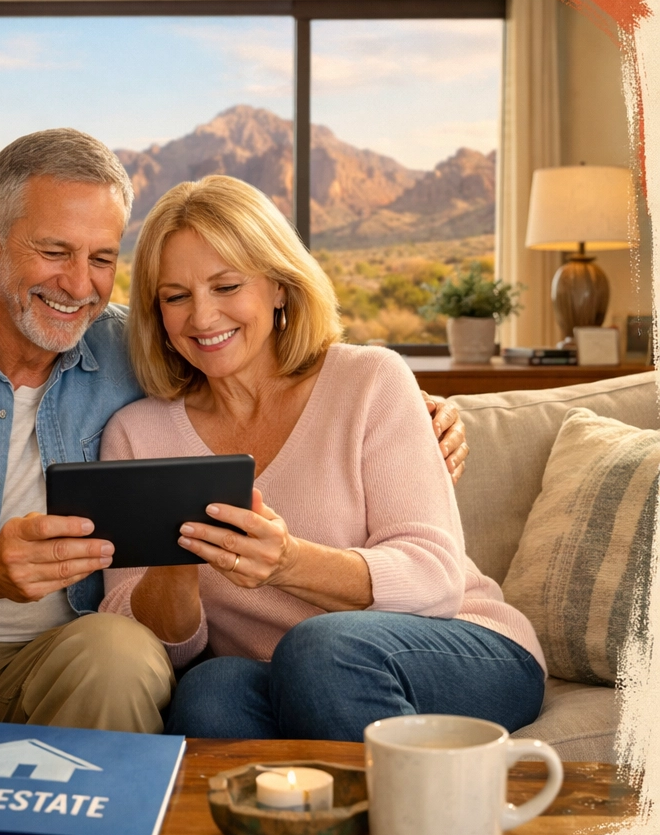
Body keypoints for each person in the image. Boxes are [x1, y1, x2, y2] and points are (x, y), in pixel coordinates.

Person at [0, 129, 469, 736]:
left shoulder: (140, 350)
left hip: (72, 656)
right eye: (54, 252)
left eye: (101, 259)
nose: (78, 285)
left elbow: (261, 363)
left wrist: (417, 410)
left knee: (123, 652)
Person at [98, 174, 546, 742]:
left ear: (279, 287)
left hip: (457, 643)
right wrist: (173, 565)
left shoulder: (369, 381)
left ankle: (415, 827)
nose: (203, 317)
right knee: (209, 694)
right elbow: (162, 645)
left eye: (227, 286)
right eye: (176, 296)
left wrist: (287, 562)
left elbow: (436, 580)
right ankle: (308, 831)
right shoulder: (136, 436)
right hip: (285, 672)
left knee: (320, 648)